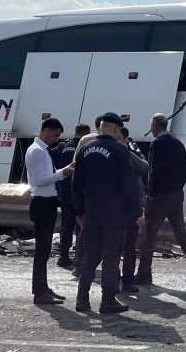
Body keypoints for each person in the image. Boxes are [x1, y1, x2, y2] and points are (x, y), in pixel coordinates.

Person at [72, 112, 144, 314]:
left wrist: (79, 211)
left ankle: (82, 300)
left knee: (90, 257)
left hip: (92, 213)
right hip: (115, 215)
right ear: (115, 129)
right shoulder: (119, 150)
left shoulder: (85, 149)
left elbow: (76, 184)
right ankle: (108, 301)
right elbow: (128, 185)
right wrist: (137, 212)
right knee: (111, 258)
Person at [135, 113, 186, 285]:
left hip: (160, 196)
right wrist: (177, 187)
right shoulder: (178, 143)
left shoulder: (157, 144)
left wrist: (150, 195)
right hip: (176, 194)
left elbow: (154, 171)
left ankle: (144, 273)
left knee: (149, 234)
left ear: (155, 126)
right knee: (181, 232)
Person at [25, 118, 74, 305]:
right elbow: (39, 180)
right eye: (55, 135)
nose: (56, 140)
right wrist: (63, 174)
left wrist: (64, 170)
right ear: (46, 130)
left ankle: (43, 288)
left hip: (48, 202)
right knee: (42, 251)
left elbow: (47, 176)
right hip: (42, 203)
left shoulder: (42, 150)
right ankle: (39, 292)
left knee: (45, 251)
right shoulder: (37, 151)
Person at [70, 114, 103, 277]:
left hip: (86, 191)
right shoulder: (112, 141)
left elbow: (75, 164)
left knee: (84, 229)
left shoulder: (85, 140)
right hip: (104, 195)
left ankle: (79, 263)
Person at [54, 123, 90, 268]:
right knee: (81, 227)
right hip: (80, 194)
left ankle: (63, 256)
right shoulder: (85, 148)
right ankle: (78, 258)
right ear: (86, 134)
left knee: (66, 227)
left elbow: (56, 167)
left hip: (65, 193)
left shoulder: (62, 147)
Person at [118, 126, 148, 293]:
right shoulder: (124, 153)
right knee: (126, 245)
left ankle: (119, 281)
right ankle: (125, 280)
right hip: (127, 206)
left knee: (121, 245)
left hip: (118, 207)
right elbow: (144, 167)